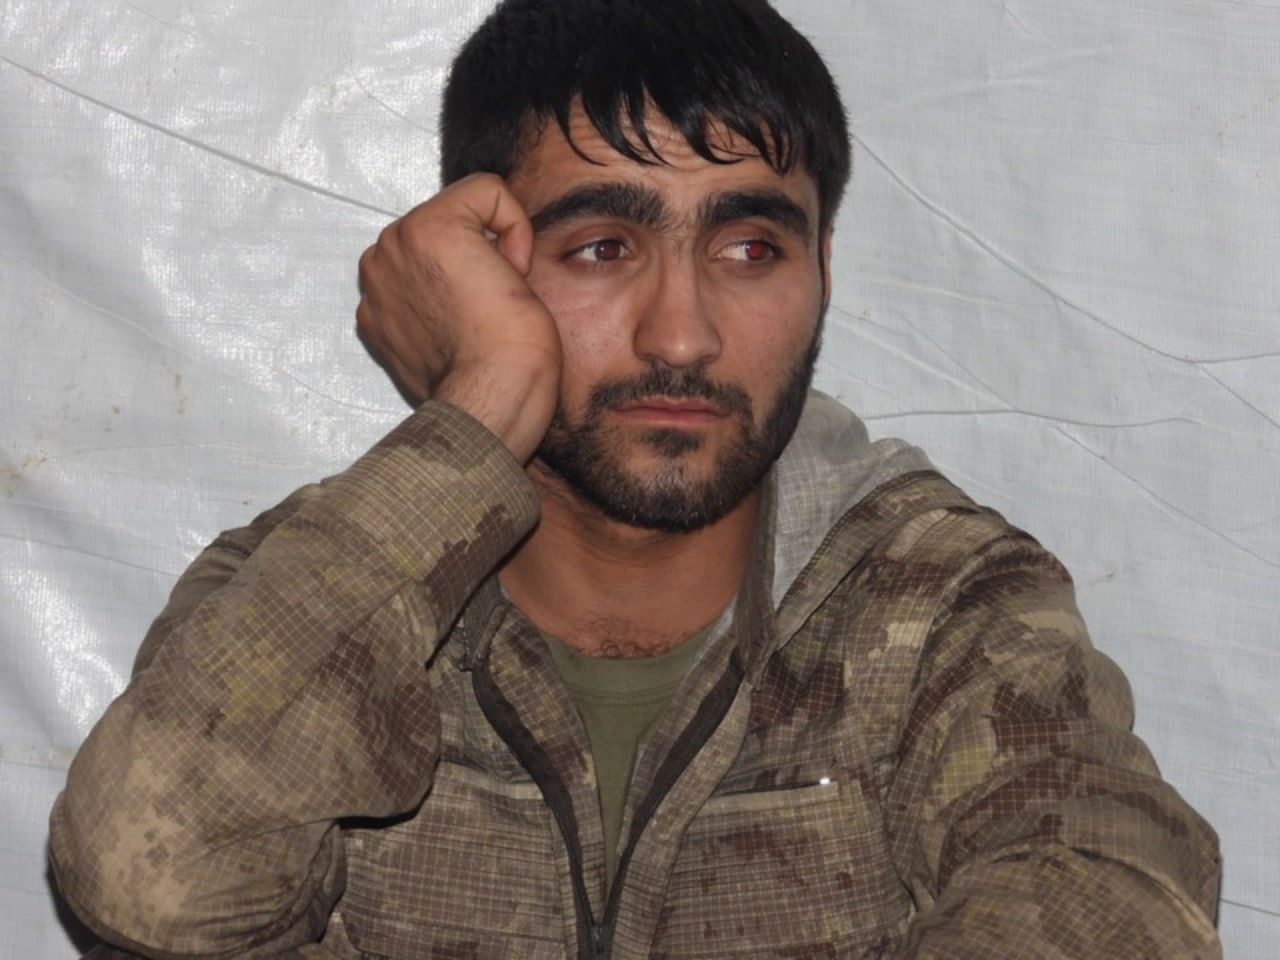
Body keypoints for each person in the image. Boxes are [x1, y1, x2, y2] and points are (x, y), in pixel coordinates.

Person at [48, 0, 1222, 957]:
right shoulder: (319, 593)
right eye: (601, 247)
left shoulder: (934, 604)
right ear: (479, 265)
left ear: (821, 272)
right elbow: (152, 882)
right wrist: (475, 410)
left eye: (749, 248)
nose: (682, 335)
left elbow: (1112, 904)